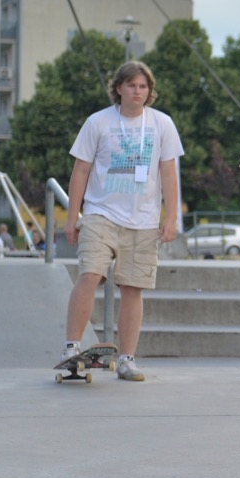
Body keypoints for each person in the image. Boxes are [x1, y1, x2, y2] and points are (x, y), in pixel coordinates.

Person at [61, 61, 184, 381]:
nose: (137, 91)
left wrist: (170, 217)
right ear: (119, 88)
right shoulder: (98, 122)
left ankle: (127, 359)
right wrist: (72, 216)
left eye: (143, 86)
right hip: (101, 213)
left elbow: (169, 173)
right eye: (131, 85)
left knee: (133, 288)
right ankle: (72, 347)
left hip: (143, 220)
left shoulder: (162, 124)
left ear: (150, 91)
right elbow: (81, 171)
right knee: (90, 274)